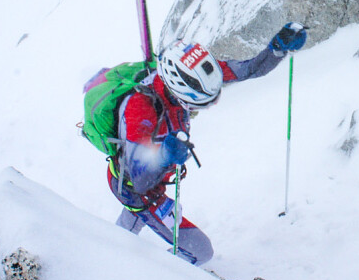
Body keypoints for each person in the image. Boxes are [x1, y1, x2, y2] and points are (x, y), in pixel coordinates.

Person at [85, 22, 308, 265]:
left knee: (129, 226)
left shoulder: (192, 73)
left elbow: (247, 70)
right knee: (200, 251)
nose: (196, 110)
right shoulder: (141, 109)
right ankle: (157, 279)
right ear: (179, 91)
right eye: (197, 105)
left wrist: (277, 48)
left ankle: (108, 257)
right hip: (135, 189)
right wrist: (166, 157)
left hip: (148, 182)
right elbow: (140, 181)